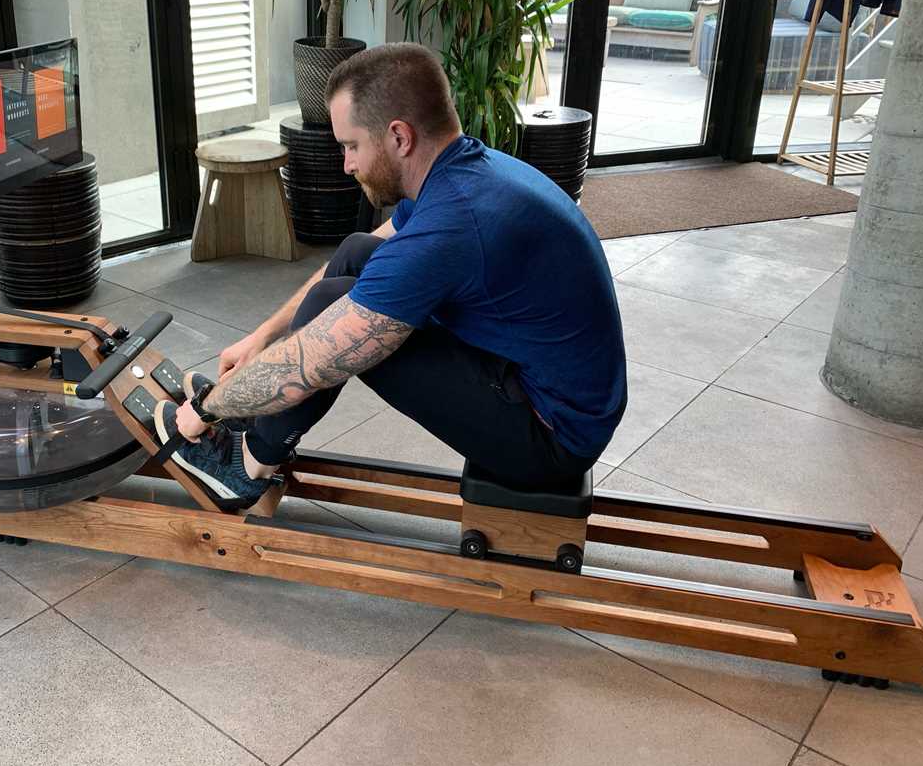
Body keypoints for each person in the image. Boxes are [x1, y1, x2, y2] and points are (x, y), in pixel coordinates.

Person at [155, 43, 627, 512]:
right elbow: (361, 252)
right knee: (358, 253)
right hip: (540, 383)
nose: (347, 165)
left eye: (351, 146)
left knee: (335, 317)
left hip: (551, 437)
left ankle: (246, 471)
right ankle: (260, 435)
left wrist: (206, 408)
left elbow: (316, 359)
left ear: (399, 137)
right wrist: (262, 338)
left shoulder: (454, 223)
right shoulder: (459, 172)